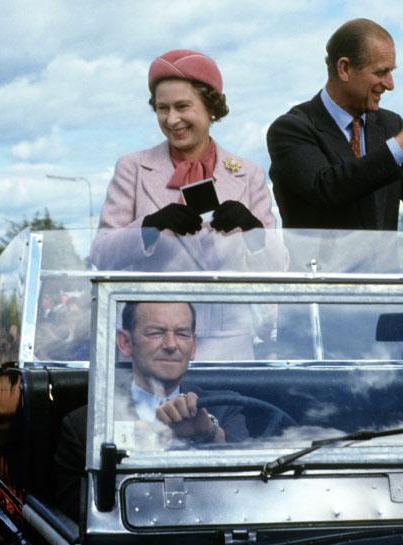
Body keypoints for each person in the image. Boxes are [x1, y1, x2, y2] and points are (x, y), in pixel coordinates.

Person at [90, 48, 285, 359]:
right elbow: (101, 254)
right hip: (155, 343)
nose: (171, 119)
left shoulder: (248, 174)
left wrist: (253, 230)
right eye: (161, 108)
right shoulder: (133, 168)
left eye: (183, 106)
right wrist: (149, 227)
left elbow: (277, 268)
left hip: (228, 343)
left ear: (211, 108)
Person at [267, 18, 403, 234]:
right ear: (345, 69)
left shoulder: (391, 127)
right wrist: (397, 148)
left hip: (383, 269)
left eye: (391, 72)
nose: (390, 84)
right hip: (319, 268)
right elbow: (327, 190)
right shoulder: (291, 130)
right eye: (380, 72)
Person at [54, 301, 248, 518]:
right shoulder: (87, 425)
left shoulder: (224, 407)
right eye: (156, 332)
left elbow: (250, 490)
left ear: (193, 347)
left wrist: (208, 432)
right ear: (126, 342)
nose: (171, 344)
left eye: (182, 334)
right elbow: (78, 521)